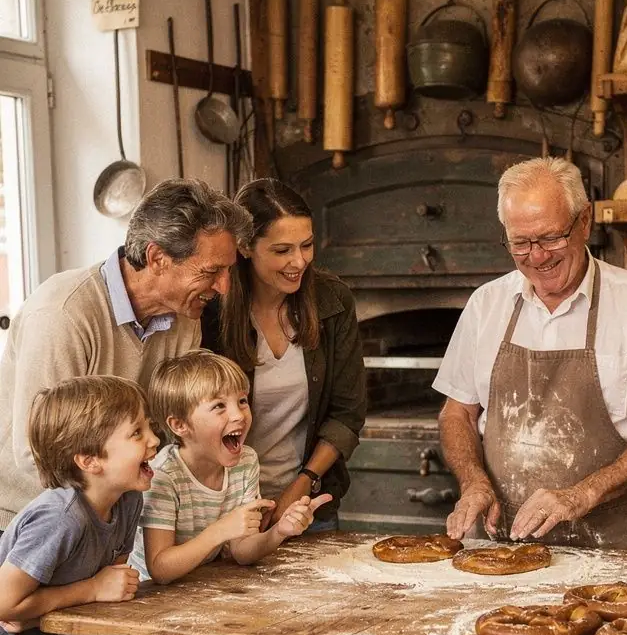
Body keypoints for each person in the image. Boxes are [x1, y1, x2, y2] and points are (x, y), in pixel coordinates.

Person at [433, 156, 627, 549]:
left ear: (584, 221)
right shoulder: (486, 305)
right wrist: (473, 482)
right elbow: (457, 412)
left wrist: (583, 493)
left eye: (551, 238)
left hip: (606, 547)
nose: (538, 256)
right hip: (498, 547)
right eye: (520, 243)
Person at [0, 178, 252, 530]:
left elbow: (174, 423)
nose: (223, 287)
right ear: (157, 258)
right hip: (27, 519)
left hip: (110, 517)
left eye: (227, 271)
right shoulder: (63, 313)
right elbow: (36, 452)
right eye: (211, 271)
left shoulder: (185, 316)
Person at [201, 179, 366, 532]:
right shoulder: (209, 312)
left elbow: (347, 414)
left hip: (307, 505)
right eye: (282, 250)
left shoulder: (332, 302)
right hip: (223, 508)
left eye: (307, 245)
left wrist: (303, 483)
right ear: (245, 246)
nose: (299, 261)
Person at [131, 350, 331, 584]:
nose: (239, 415)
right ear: (180, 425)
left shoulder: (245, 463)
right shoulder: (163, 476)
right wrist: (220, 530)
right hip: (149, 593)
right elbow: (160, 569)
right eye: (219, 406)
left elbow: (241, 550)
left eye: (242, 401)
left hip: (197, 583)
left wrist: (278, 532)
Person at [0, 376, 158, 635]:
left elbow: (115, 584)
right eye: (137, 432)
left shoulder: (128, 499)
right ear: (89, 460)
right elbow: (3, 603)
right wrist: (92, 589)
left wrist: (35, 615)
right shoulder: (60, 518)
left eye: (149, 426)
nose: (155, 440)